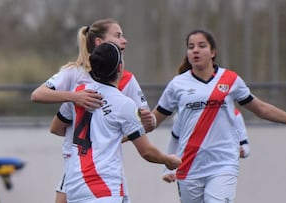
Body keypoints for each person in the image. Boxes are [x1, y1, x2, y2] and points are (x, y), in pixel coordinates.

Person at [139, 29, 286, 203]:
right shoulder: (177, 84)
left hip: (223, 163)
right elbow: (154, 121)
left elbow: (260, 108)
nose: (195, 50)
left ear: (213, 52)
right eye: (191, 47)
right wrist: (141, 124)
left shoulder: (230, 80)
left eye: (201, 46)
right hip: (189, 164)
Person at [30, 18, 153, 203]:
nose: (125, 40)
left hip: (105, 169)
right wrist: (74, 97)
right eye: (118, 35)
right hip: (76, 164)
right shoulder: (75, 73)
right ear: (99, 42)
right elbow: (38, 95)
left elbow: (143, 126)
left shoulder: (126, 79)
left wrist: (147, 122)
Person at [56, 42, 181, 203]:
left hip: (74, 188)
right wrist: (169, 160)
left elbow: (57, 128)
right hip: (104, 188)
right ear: (119, 67)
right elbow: (146, 152)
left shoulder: (78, 94)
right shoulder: (124, 104)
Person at [162, 108, 250, 184]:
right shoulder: (185, 111)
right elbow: (175, 140)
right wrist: (168, 170)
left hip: (221, 169)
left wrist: (243, 151)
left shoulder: (234, 114)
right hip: (190, 170)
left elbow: (245, 145)